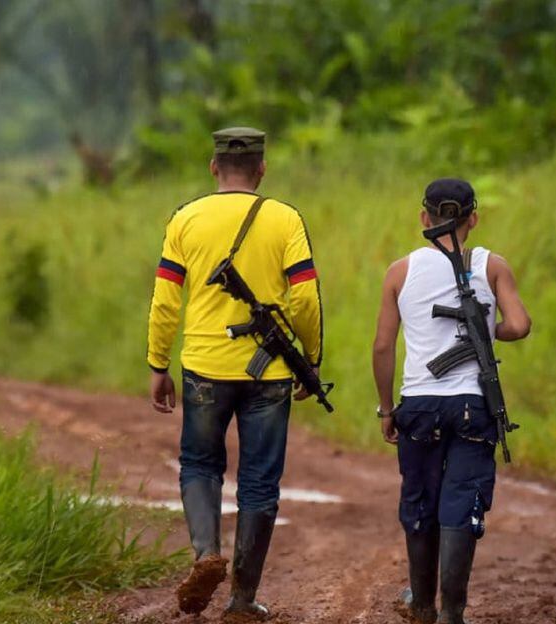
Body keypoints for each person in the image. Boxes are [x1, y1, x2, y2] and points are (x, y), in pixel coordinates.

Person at [146, 127, 324, 618]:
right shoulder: (285, 219)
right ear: (262, 169)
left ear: (213, 167)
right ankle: (243, 599)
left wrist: (158, 363)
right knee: (261, 482)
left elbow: (165, 300)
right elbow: (305, 297)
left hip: (203, 366)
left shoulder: (185, 219)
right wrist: (310, 358)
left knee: (201, 465)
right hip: (269, 373)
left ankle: (206, 554)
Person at [372, 179, 531, 624]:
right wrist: (487, 328)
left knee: (420, 501)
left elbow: (383, 347)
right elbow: (519, 325)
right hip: (471, 404)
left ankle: (422, 604)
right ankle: (452, 613)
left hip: (419, 404)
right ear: (472, 219)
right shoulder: (491, 265)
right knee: (462, 502)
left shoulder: (400, 271)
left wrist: (387, 410)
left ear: (425, 218)